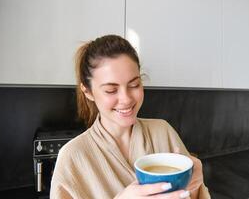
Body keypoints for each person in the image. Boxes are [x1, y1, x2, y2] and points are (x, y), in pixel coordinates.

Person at [50, 35, 211, 199]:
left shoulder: (163, 131)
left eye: (134, 85)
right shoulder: (72, 157)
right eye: (111, 90)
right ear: (88, 92)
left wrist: (195, 186)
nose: (126, 99)